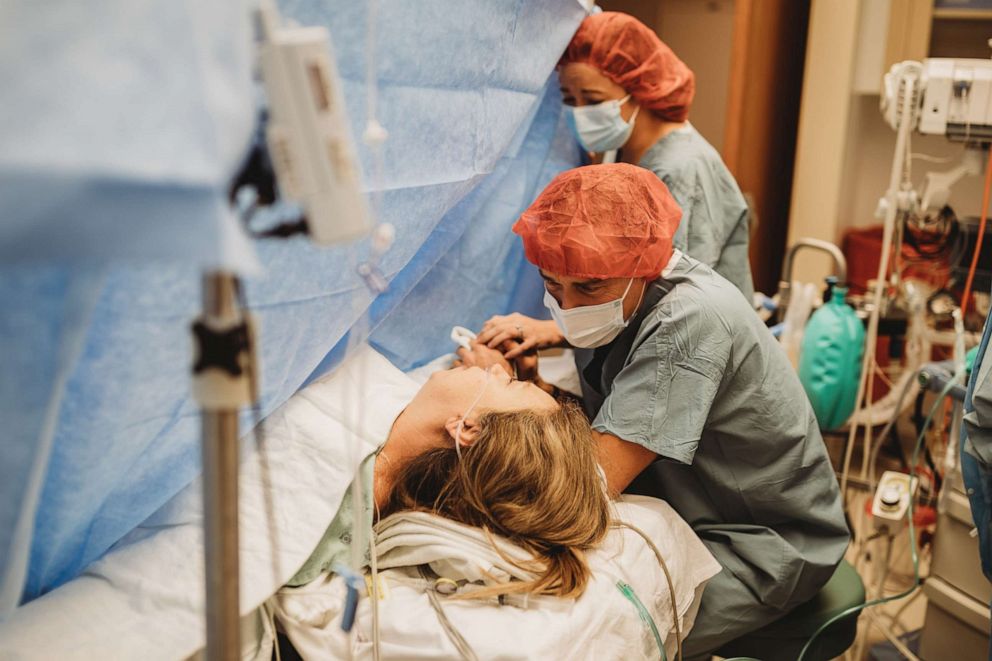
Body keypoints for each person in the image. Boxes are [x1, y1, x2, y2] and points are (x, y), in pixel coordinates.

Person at [462, 163, 849, 658]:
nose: (567, 306)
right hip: (683, 506)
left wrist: (495, 398)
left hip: (759, 545)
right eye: (551, 285)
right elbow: (611, 423)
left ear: (642, 269)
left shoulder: (689, 320)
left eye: (588, 288)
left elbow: (586, 485)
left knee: (580, 638)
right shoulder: (620, 302)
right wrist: (534, 385)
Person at [558, 11, 754, 300]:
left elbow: (673, 299)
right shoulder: (620, 151)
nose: (581, 112)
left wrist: (558, 328)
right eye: (569, 99)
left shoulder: (683, 168)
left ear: (640, 88)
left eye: (594, 100)